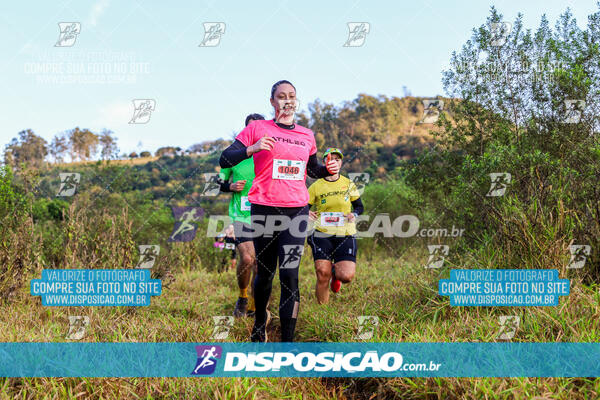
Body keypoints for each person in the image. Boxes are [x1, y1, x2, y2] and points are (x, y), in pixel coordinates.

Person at [219, 80, 339, 342]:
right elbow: (225, 159)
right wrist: (253, 148)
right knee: (265, 273)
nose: (287, 100)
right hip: (264, 210)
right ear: (272, 101)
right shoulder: (257, 128)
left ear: (296, 101)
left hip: (296, 212)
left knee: (290, 275)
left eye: (292, 96)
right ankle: (260, 321)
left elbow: (312, 169)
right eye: (281, 96)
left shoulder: (306, 135)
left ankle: (287, 343)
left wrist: (327, 170)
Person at [218, 113, 265, 317]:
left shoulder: (268, 153)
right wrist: (230, 186)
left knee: (259, 264)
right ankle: (243, 296)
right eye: (250, 129)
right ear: (245, 131)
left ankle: (255, 305)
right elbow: (217, 183)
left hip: (265, 215)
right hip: (241, 216)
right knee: (247, 258)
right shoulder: (234, 156)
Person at [307, 148, 364, 304]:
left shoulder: (348, 183)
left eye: (338, 159)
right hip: (321, 233)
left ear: (341, 163)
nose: (334, 162)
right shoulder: (316, 186)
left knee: (346, 276)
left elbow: (359, 206)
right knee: (321, 274)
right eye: (331, 159)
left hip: (345, 233)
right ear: (325, 162)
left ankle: (335, 272)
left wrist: (355, 214)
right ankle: (322, 313)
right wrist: (306, 213)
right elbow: (303, 206)